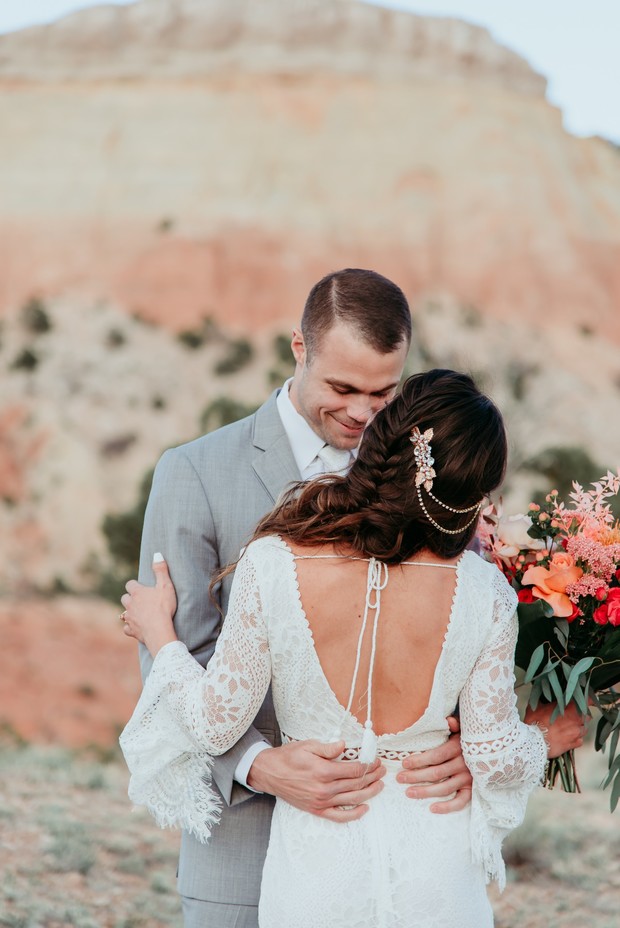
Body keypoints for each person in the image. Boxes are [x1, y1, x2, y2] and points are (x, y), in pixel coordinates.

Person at [120, 369, 585, 928]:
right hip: (436, 875)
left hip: (316, 877)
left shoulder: (274, 561)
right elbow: (492, 756)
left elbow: (213, 723)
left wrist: (161, 637)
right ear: (473, 492)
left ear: (385, 441)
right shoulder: (483, 591)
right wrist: (545, 738)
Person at [133, 269, 477, 927]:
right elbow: (174, 656)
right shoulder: (195, 472)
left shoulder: (427, 478)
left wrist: (463, 741)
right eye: (342, 387)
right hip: (246, 852)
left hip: (401, 856)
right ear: (299, 349)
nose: (361, 412)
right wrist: (259, 768)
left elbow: (450, 631)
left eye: (383, 392)